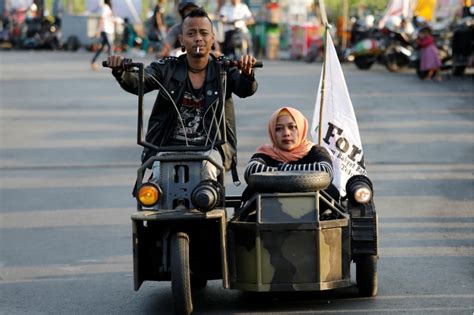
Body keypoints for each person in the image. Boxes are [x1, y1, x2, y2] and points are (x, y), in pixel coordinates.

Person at [106, 7, 258, 181]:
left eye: (203, 33)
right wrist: (120, 71)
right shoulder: (166, 67)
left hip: (211, 148)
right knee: (156, 182)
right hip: (166, 147)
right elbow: (139, 83)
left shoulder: (224, 68)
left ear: (213, 38)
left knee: (207, 179)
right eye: (191, 34)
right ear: (182, 40)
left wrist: (247, 74)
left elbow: (245, 90)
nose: (198, 38)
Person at [242, 107, 336, 202]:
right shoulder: (266, 153)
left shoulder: (315, 151)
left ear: (301, 128)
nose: (286, 133)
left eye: (292, 127)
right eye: (278, 129)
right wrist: (299, 174)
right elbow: (251, 170)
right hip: (268, 213)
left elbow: (326, 171)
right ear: (272, 132)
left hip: (314, 214)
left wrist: (280, 170)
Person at [91, 0, 114, 70]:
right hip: (104, 29)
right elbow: (102, 18)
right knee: (109, 45)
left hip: (108, 30)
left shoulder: (108, 8)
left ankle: (93, 61)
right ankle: (112, 63)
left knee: (102, 47)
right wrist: (98, 30)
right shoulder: (105, 7)